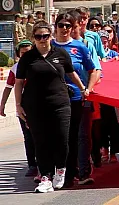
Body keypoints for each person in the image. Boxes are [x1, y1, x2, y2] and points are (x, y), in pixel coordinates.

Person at [15, 22, 90, 193]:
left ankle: (61, 169)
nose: (42, 40)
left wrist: (83, 89)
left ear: (51, 36)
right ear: (33, 38)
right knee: (41, 142)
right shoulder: (28, 58)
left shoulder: (61, 54)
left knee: (61, 139)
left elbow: (72, 74)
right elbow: (19, 83)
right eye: (38, 37)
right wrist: (18, 105)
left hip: (60, 104)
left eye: (45, 36)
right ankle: (46, 177)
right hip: (35, 105)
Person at [53, 13, 100, 186]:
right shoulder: (48, 47)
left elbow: (93, 70)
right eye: (61, 25)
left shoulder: (80, 47)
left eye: (68, 25)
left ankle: (82, 172)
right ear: (55, 26)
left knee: (81, 136)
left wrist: (87, 89)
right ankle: (59, 172)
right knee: (60, 137)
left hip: (79, 98)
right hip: (55, 100)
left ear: (73, 28)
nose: (64, 28)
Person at [0, 40, 38, 181]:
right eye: (23, 53)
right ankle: (32, 165)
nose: (26, 55)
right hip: (22, 108)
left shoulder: (39, 65)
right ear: (18, 55)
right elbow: (8, 88)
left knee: (40, 137)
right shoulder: (15, 69)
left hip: (39, 108)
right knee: (28, 138)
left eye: (28, 52)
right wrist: (2, 105)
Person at [97, 30, 119, 163]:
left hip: (113, 95)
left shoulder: (114, 54)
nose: (104, 41)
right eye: (101, 39)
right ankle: (104, 150)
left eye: (106, 39)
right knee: (101, 124)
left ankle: (115, 152)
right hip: (99, 95)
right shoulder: (95, 55)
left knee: (116, 125)